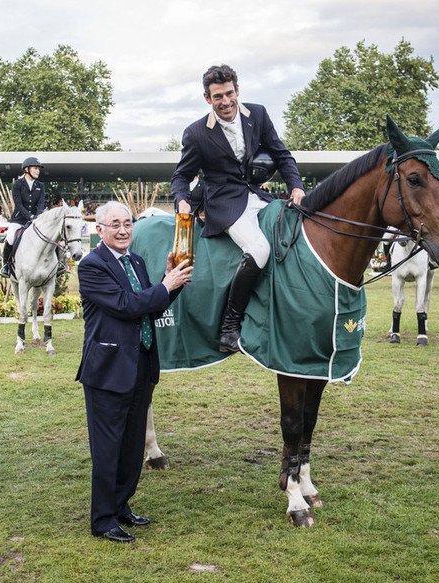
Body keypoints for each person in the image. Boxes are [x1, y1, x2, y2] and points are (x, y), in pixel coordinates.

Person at [76, 201, 193, 543]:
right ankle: (103, 520)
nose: (124, 230)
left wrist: (175, 281)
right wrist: (165, 284)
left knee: (130, 446)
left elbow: (150, 305)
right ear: (100, 230)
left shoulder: (136, 261)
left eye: (128, 223)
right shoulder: (92, 265)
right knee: (108, 447)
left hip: (141, 364)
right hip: (109, 370)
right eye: (115, 224)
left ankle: (121, 505)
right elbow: (128, 306)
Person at [171, 64, 305, 353]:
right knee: (259, 250)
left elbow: (282, 155)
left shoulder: (257, 113)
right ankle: (229, 326)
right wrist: (181, 200)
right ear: (208, 98)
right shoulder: (195, 133)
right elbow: (181, 176)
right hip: (224, 203)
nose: (226, 101)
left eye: (230, 93)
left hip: (257, 194)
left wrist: (297, 186)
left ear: (238, 91)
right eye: (218, 96)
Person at [0, 156, 46, 278]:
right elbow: (18, 204)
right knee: (10, 237)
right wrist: (29, 216)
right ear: (27, 169)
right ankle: (6, 265)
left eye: (38, 169)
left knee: (50, 235)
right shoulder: (18, 184)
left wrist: (38, 216)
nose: (38, 171)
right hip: (19, 219)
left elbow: (41, 203)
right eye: (35, 168)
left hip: (36, 219)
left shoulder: (40, 185)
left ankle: (58, 265)